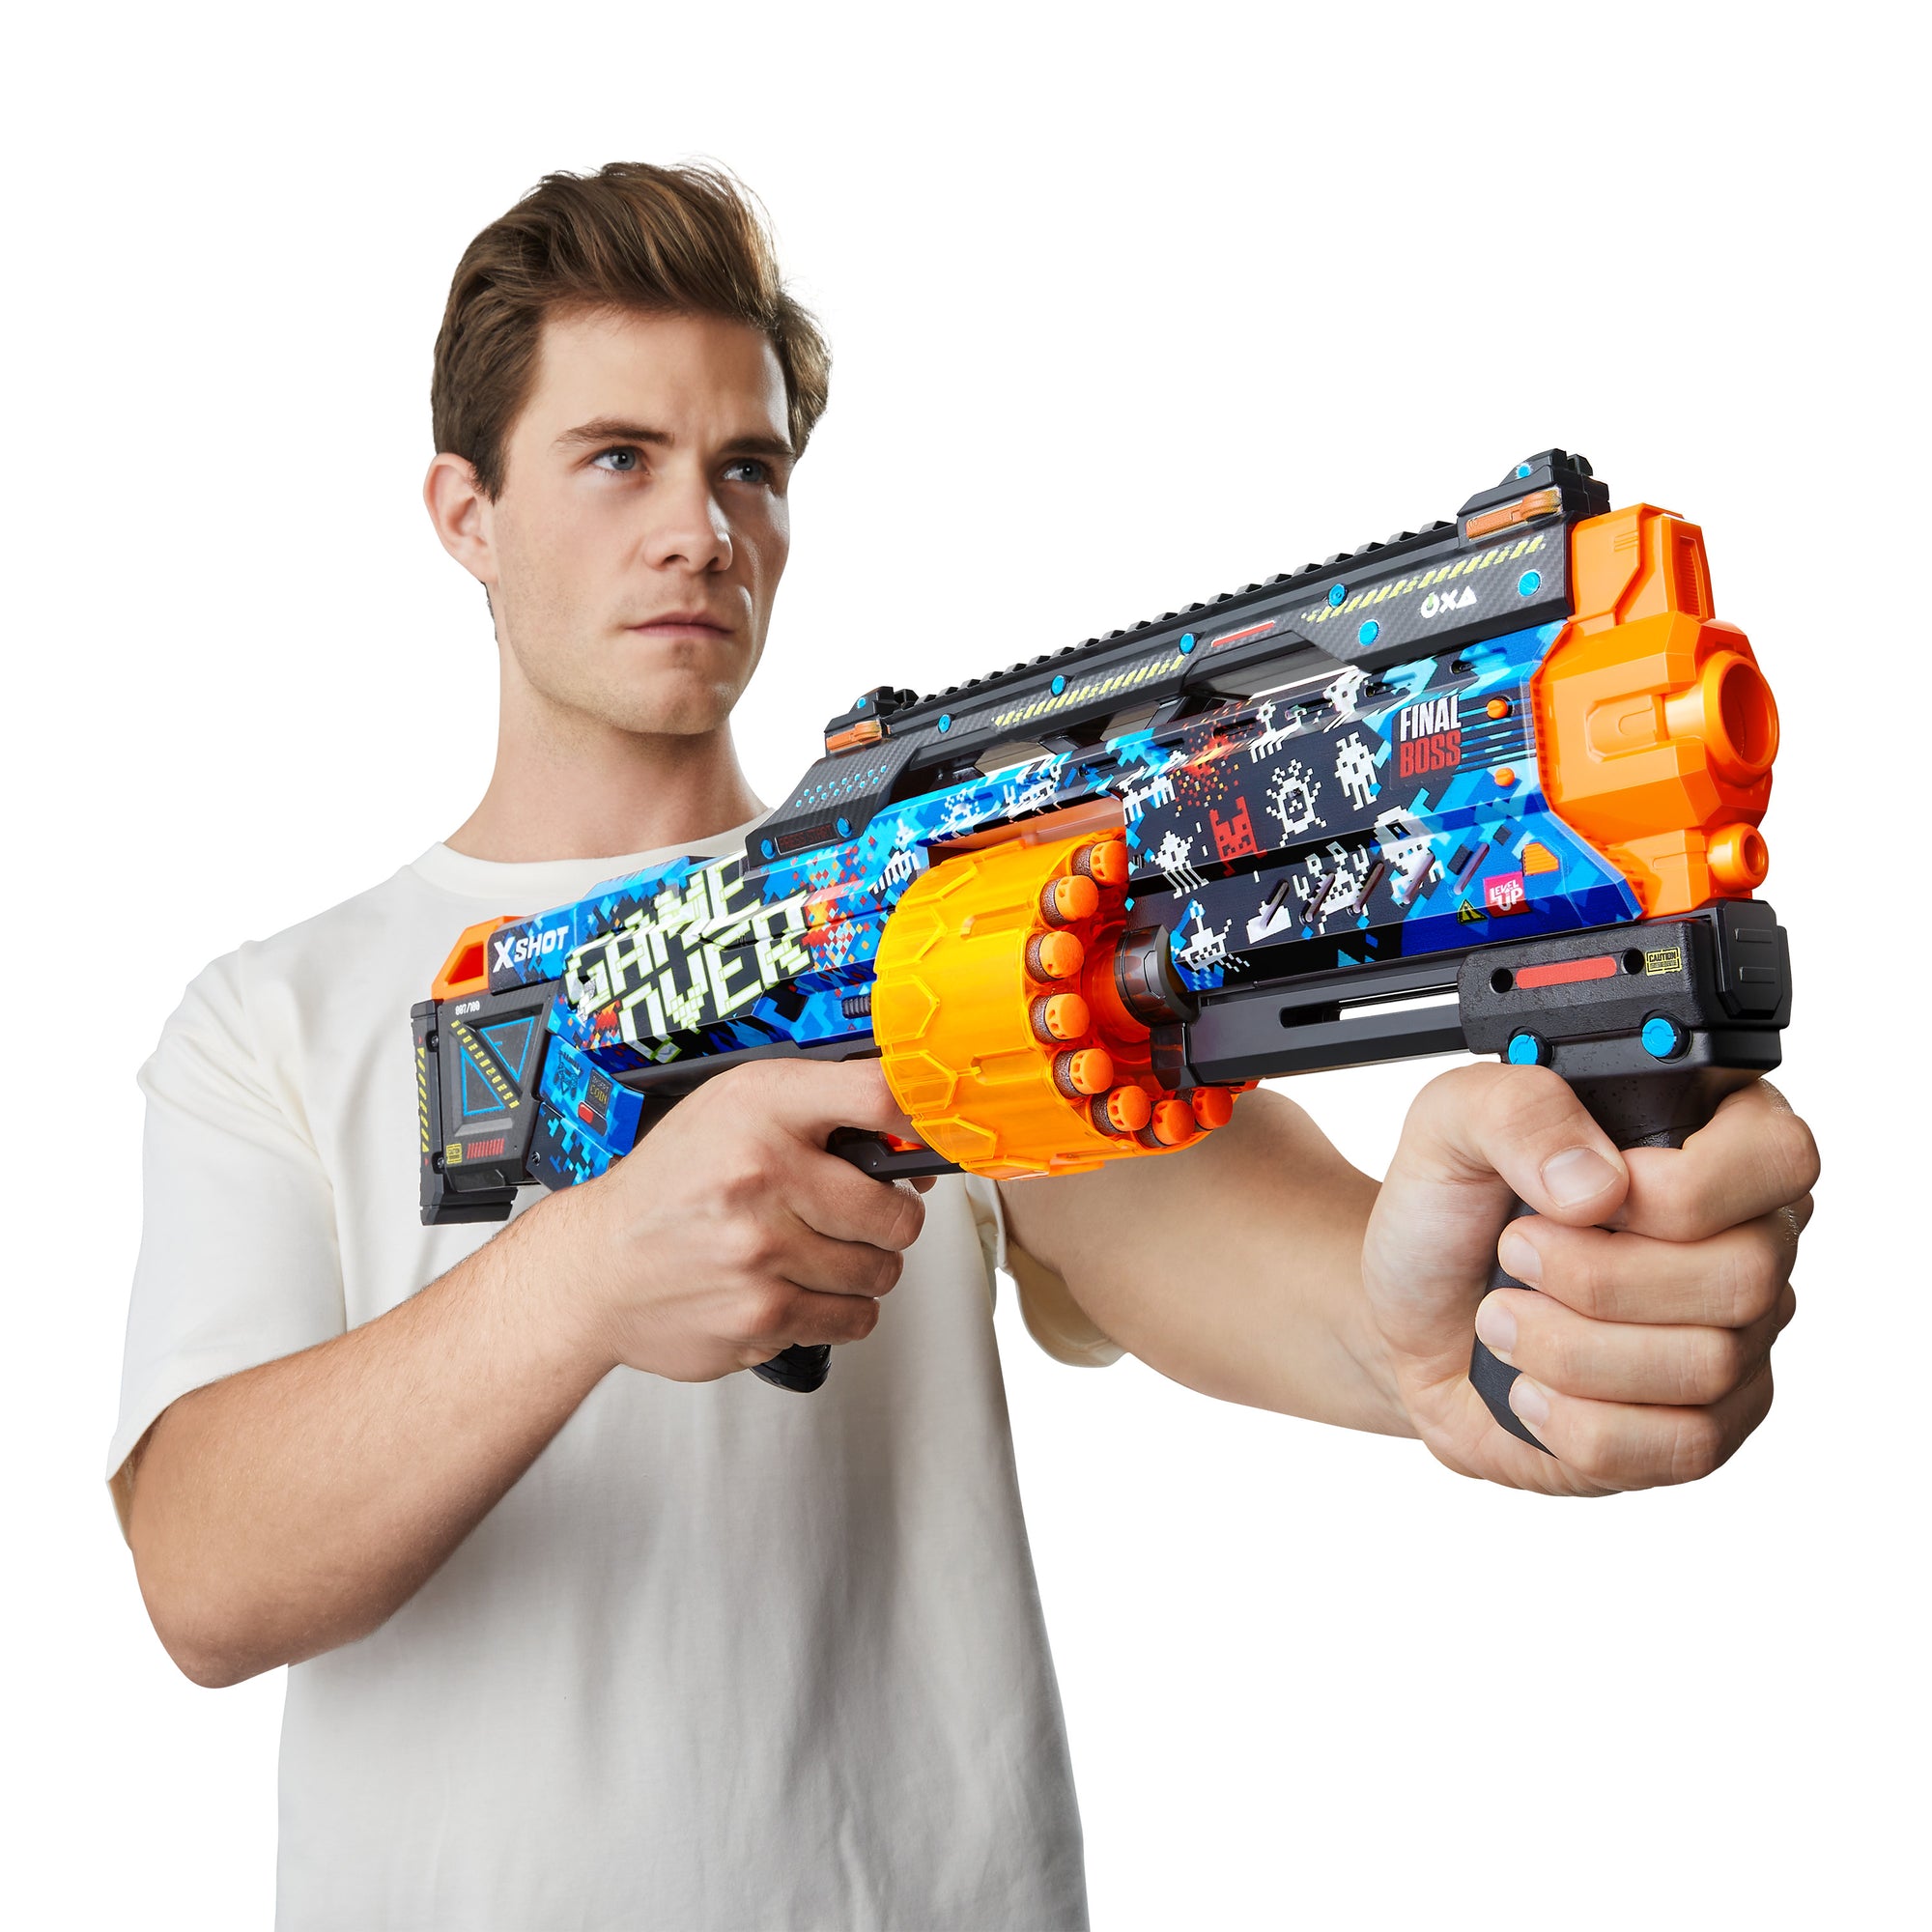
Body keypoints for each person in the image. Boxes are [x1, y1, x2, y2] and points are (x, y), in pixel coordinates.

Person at [109, 162, 1819, 1931]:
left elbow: (1338, 1298)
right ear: (465, 511)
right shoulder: (276, 1016)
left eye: (748, 467)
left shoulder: (952, 912)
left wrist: (1490, 1330)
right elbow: (201, 1579)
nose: (699, 530)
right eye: (617, 456)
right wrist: (584, 1274)